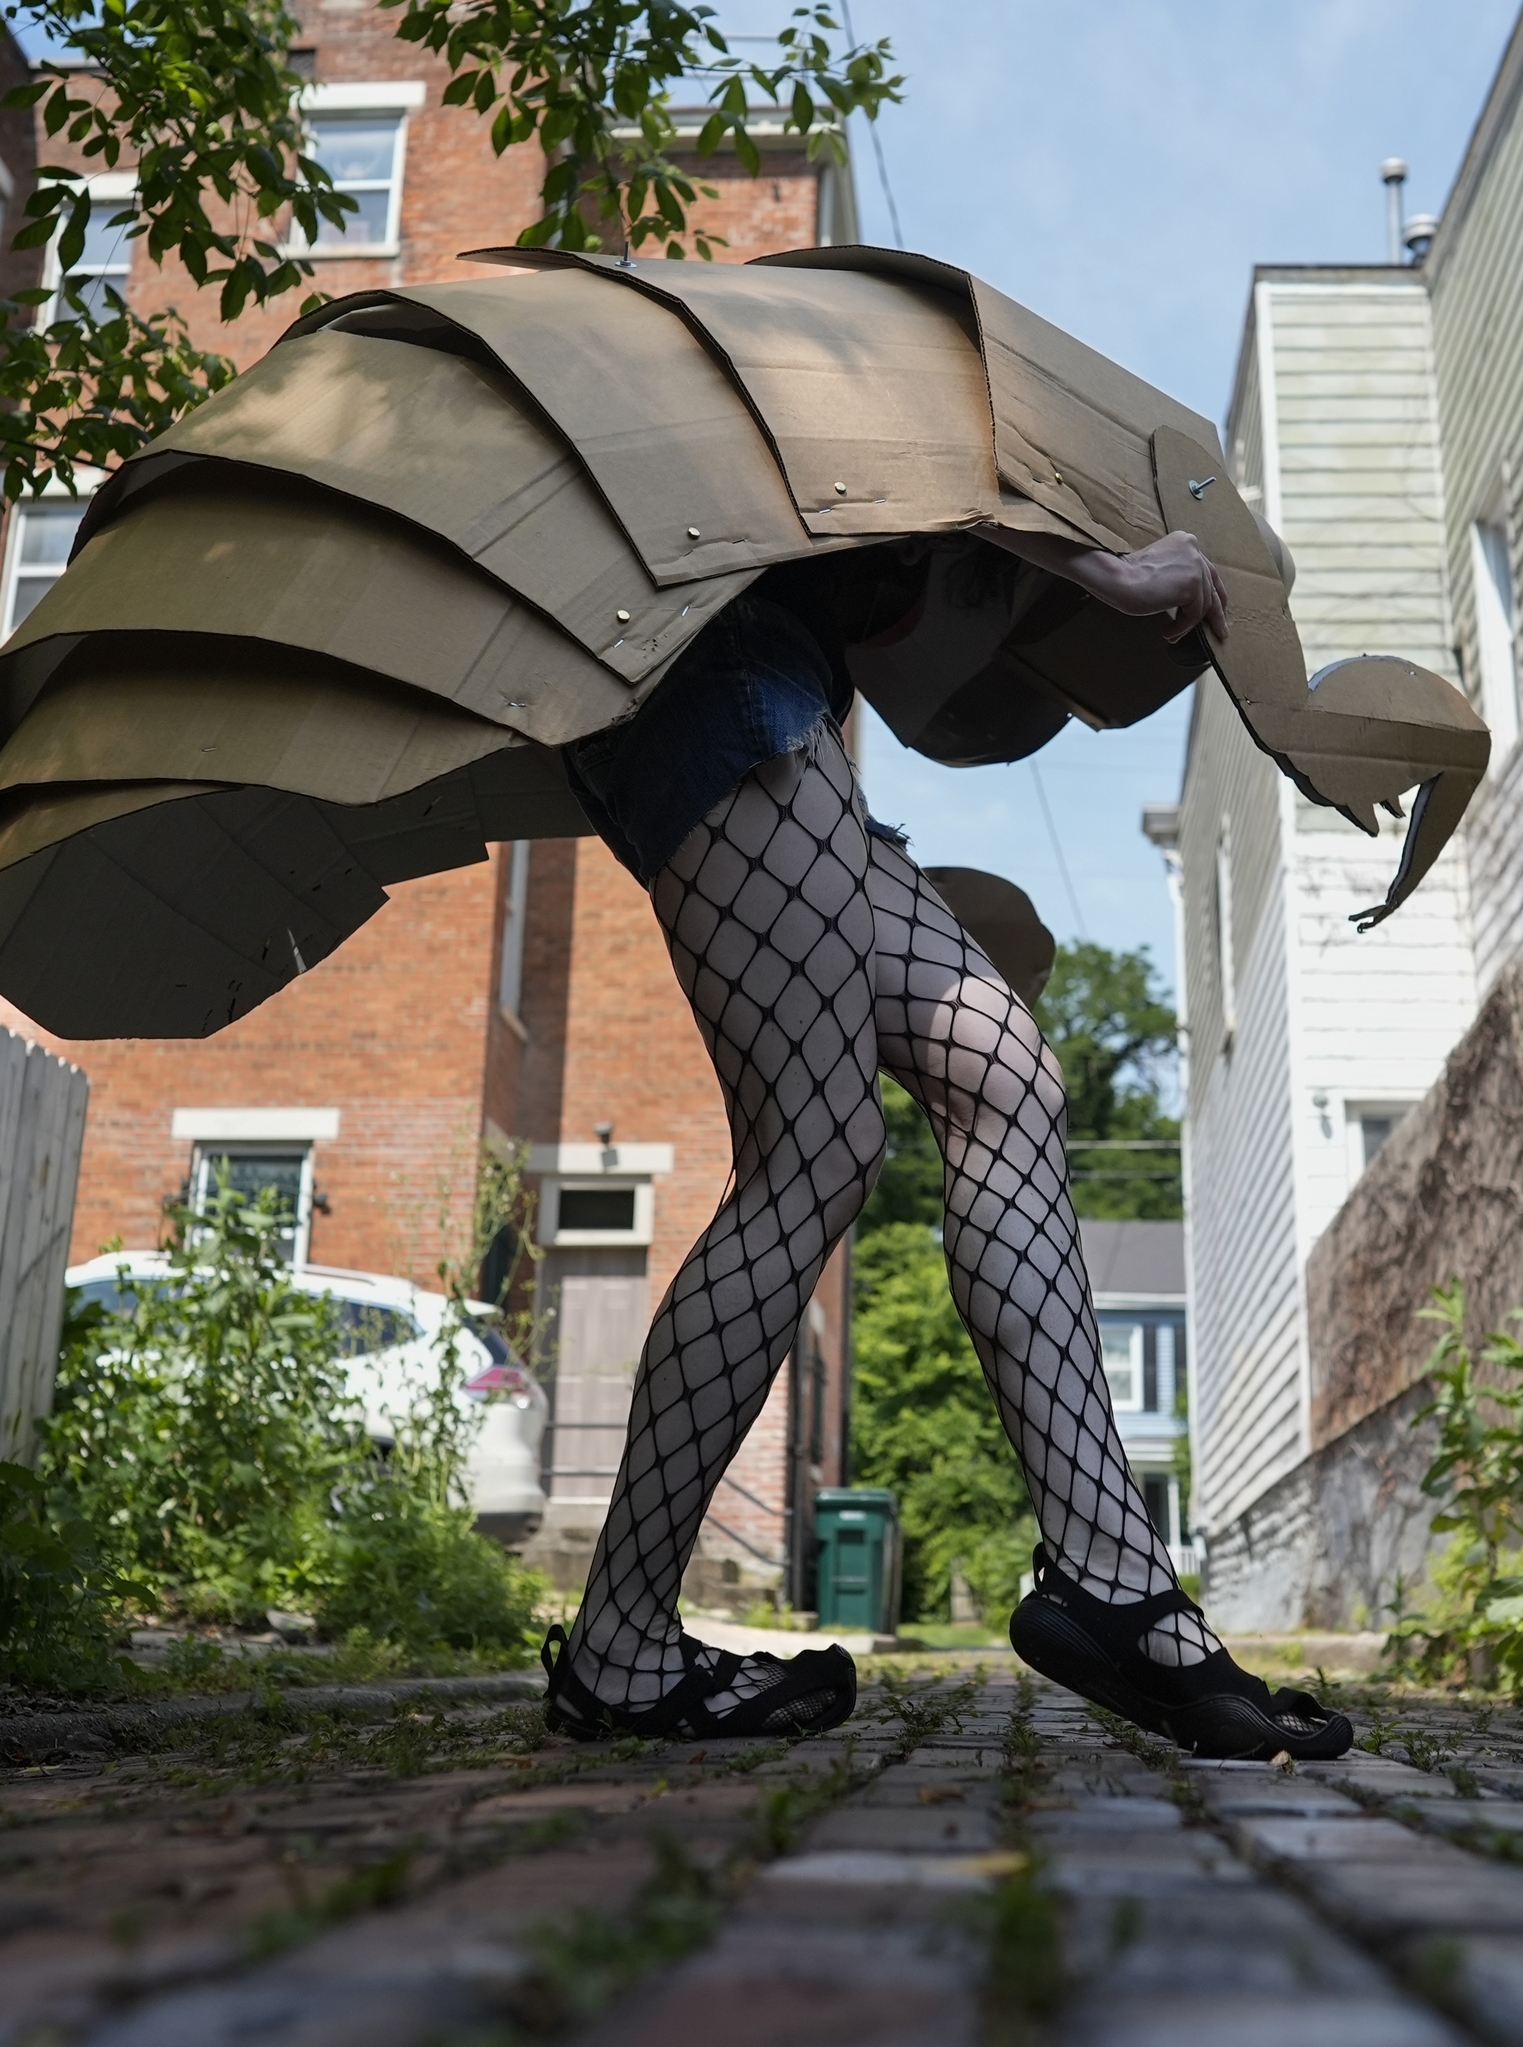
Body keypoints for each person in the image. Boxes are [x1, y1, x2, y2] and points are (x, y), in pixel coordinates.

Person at [540, 527, 1358, 1760]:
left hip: (782, 679)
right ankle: (619, 1651)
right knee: (814, 1149)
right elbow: (874, 444)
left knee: (1007, 1075)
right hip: (707, 657)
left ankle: (1113, 1577)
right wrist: (1109, 573)